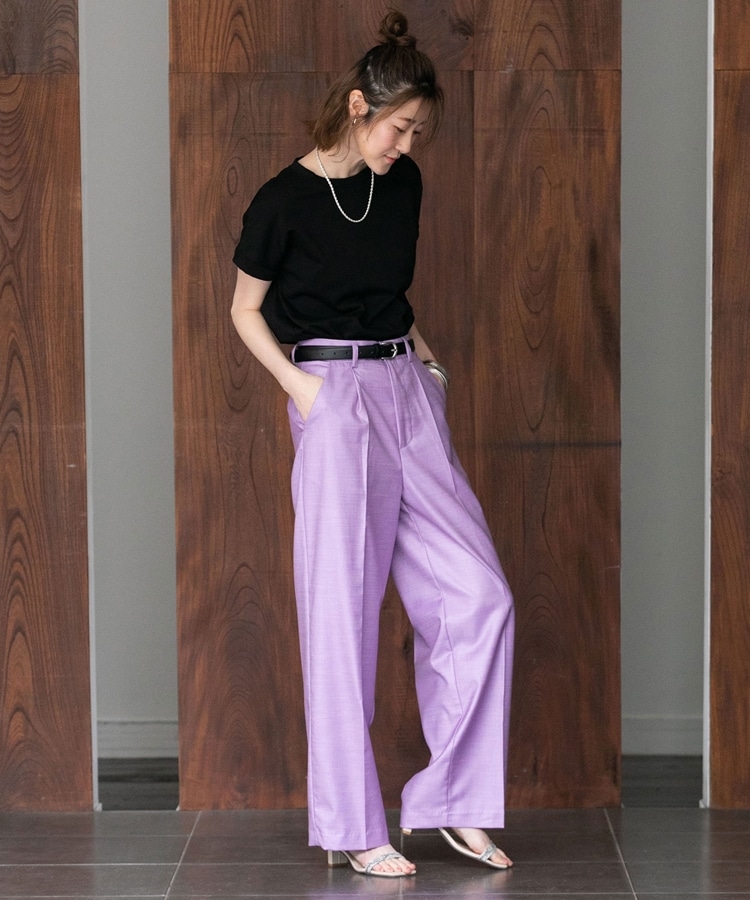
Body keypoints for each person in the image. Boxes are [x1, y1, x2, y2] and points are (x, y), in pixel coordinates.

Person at [231, 10, 515, 878]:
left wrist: (426, 362)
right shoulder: (282, 201)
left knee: (479, 595)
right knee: (341, 613)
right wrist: (307, 392)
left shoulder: (404, 186)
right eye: (400, 128)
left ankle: (456, 802)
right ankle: (353, 827)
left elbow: (386, 290)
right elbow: (243, 310)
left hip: (406, 390)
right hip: (332, 395)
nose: (407, 145)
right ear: (359, 106)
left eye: (418, 132)